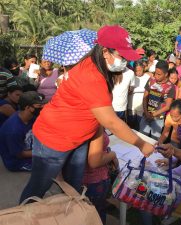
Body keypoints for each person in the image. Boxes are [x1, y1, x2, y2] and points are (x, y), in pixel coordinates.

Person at [20, 25, 154, 203]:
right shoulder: (91, 75)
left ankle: (71, 215)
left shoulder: (99, 66)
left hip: (79, 138)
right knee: (38, 188)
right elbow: (111, 122)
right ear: (105, 52)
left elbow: (96, 114)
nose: (125, 62)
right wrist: (142, 145)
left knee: (73, 189)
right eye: (122, 56)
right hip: (54, 140)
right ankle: (22, 215)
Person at [0, 91, 43, 172]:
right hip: (17, 161)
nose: (42, 108)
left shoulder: (28, 116)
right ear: (27, 108)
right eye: (39, 106)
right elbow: (19, 154)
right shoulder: (13, 130)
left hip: (28, 147)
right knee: (52, 163)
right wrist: (42, 152)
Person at [83, 126, 118, 224]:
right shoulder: (94, 124)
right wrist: (112, 155)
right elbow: (95, 162)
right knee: (96, 213)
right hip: (94, 180)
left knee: (90, 211)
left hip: (84, 178)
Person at [139, 60, 175, 140]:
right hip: (145, 116)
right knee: (141, 139)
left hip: (158, 119)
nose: (156, 76)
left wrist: (153, 115)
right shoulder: (151, 80)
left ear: (166, 74)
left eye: (159, 74)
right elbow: (145, 98)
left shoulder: (170, 87)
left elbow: (167, 106)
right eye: (155, 73)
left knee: (153, 142)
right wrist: (146, 112)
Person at [127, 61, 150, 130]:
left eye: (140, 70)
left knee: (139, 125)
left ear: (143, 68)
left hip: (141, 105)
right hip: (131, 105)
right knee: (131, 125)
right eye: (136, 71)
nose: (138, 72)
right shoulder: (131, 76)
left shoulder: (147, 77)